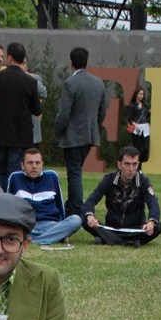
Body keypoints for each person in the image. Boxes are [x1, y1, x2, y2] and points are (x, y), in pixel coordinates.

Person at [0, 42, 42, 193]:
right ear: (23, 59)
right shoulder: (30, 81)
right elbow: (37, 109)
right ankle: (12, 201)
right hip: (21, 135)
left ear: (9, 57)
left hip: (1, 132)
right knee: (14, 172)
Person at [54, 48, 107, 218]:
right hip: (90, 135)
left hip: (72, 136)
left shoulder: (70, 84)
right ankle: (74, 204)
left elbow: (64, 114)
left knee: (74, 173)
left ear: (71, 63)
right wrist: (94, 126)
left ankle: (75, 207)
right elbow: (102, 111)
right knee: (77, 170)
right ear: (86, 61)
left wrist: (58, 131)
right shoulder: (98, 83)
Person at [83, 146, 161, 247]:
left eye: (134, 164)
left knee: (158, 226)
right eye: (127, 164)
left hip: (135, 230)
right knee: (83, 219)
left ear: (138, 164)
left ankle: (108, 239)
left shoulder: (143, 181)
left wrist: (151, 222)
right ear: (119, 165)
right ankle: (127, 242)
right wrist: (90, 217)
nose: (131, 169)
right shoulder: (109, 179)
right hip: (112, 228)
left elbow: (153, 203)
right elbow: (91, 200)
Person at [6, 147, 82, 247]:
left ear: (42, 164)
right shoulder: (15, 178)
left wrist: (63, 228)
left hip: (50, 225)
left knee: (76, 220)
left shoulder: (52, 176)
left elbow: (60, 205)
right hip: (26, 225)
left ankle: (35, 241)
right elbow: (7, 206)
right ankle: (51, 238)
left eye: (37, 163)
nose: (34, 166)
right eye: (30, 163)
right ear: (22, 165)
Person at [127, 86, 150, 165]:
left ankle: (140, 163)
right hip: (136, 128)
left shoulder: (145, 105)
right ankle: (138, 166)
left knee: (146, 148)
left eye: (142, 94)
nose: (141, 96)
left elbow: (147, 115)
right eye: (140, 94)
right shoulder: (132, 106)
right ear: (136, 94)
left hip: (145, 128)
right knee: (138, 148)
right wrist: (135, 125)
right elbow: (130, 118)